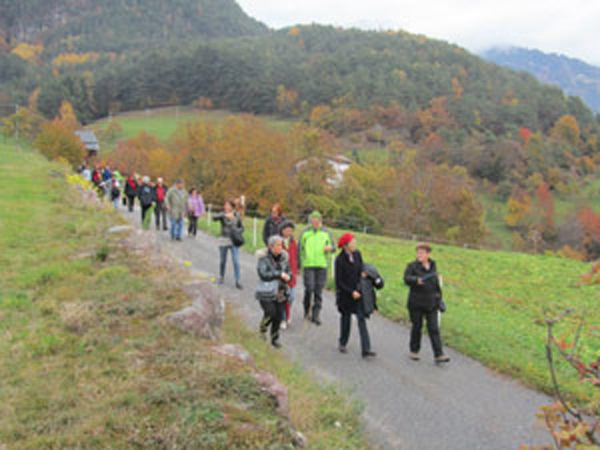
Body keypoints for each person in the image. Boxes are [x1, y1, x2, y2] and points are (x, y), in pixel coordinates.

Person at [403, 243, 450, 363]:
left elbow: (436, 284)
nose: (419, 255)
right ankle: (414, 351)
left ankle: (439, 355)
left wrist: (439, 299)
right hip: (416, 303)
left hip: (431, 303)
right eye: (418, 252)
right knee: (417, 327)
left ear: (428, 254)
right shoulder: (412, 266)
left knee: (434, 328)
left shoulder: (433, 266)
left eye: (422, 253)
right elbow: (406, 278)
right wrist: (415, 280)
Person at [335, 233, 376, 358]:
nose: (355, 244)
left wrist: (363, 275)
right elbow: (339, 282)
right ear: (346, 245)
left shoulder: (358, 255)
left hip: (359, 293)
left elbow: (360, 269)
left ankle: (366, 348)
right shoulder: (339, 260)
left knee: (362, 320)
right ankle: (343, 342)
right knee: (346, 320)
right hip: (346, 295)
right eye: (353, 242)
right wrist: (351, 292)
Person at [298, 211, 334, 325]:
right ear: (310, 221)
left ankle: (316, 315)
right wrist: (300, 264)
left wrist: (330, 248)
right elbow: (300, 249)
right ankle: (306, 309)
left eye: (317, 221)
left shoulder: (326, 232)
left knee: (318, 290)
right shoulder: (305, 232)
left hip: (321, 265)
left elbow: (333, 247)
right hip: (308, 265)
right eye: (313, 221)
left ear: (320, 221)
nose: (315, 223)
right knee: (309, 288)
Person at [256, 235, 291, 348]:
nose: (280, 247)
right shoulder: (263, 259)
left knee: (279, 316)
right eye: (278, 245)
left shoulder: (284, 259)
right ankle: (263, 329)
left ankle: (274, 338)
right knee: (270, 312)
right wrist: (278, 274)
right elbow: (263, 274)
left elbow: (289, 272)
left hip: (280, 292)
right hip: (266, 292)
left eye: (281, 245)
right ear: (271, 246)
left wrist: (288, 276)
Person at [213, 200, 244, 289]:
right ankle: (221, 277)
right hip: (224, 239)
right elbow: (214, 217)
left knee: (236, 261)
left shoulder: (237, 215)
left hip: (234, 240)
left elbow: (242, 227)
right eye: (225, 205)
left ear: (232, 207)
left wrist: (237, 231)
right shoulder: (222, 214)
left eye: (228, 205)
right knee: (223, 260)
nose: (226, 207)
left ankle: (238, 280)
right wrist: (224, 215)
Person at [279, 220, 298, 329]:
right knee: (283, 297)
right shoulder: (278, 242)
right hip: (282, 273)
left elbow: (296, 256)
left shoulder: (293, 242)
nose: (289, 232)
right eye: (287, 230)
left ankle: (287, 314)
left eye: (291, 230)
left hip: (292, 273)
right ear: (282, 230)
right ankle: (283, 318)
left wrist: (297, 268)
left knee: (291, 297)